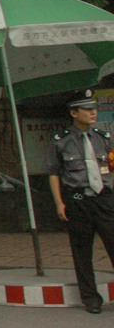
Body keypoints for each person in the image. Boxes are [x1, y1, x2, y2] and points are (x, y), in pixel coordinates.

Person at [45, 88, 114, 314]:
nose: (93, 113)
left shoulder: (104, 138)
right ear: (74, 113)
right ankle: (91, 299)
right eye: (87, 109)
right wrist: (59, 203)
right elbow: (54, 173)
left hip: (105, 200)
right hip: (77, 201)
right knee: (82, 253)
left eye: (94, 109)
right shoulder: (61, 141)